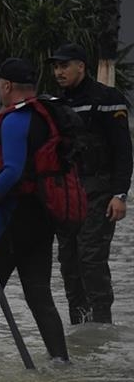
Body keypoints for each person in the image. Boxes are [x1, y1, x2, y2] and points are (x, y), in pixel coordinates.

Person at [0, 58, 69, 361]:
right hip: (42, 217)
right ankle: (61, 361)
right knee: (39, 295)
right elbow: (27, 153)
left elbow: (13, 171)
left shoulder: (15, 119)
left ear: (6, 86)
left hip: (12, 216)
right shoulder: (42, 116)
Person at [47, 43, 131, 324]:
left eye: (64, 66)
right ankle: (79, 326)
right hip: (67, 194)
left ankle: (101, 326)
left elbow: (123, 151)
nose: (59, 72)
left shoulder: (108, 100)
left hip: (100, 192)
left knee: (91, 258)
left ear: (80, 67)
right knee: (69, 262)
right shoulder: (56, 104)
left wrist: (120, 194)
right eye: (56, 67)